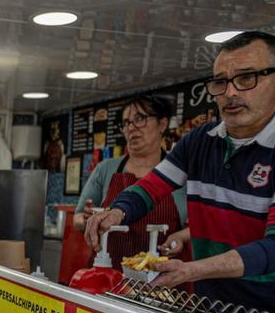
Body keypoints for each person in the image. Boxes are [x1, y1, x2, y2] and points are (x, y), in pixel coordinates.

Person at [87, 31, 275, 313]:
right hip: (210, 307)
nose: (231, 92)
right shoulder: (200, 140)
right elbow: (151, 187)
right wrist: (116, 212)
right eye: (221, 82)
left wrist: (191, 270)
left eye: (247, 78)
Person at [73, 95, 190, 265]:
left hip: (163, 278)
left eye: (139, 119)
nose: (131, 128)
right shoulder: (105, 169)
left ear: (162, 124)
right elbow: (77, 219)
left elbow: (205, 225)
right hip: (108, 273)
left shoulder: (181, 173)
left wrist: (180, 236)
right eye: (126, 123)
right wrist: (89, 220)